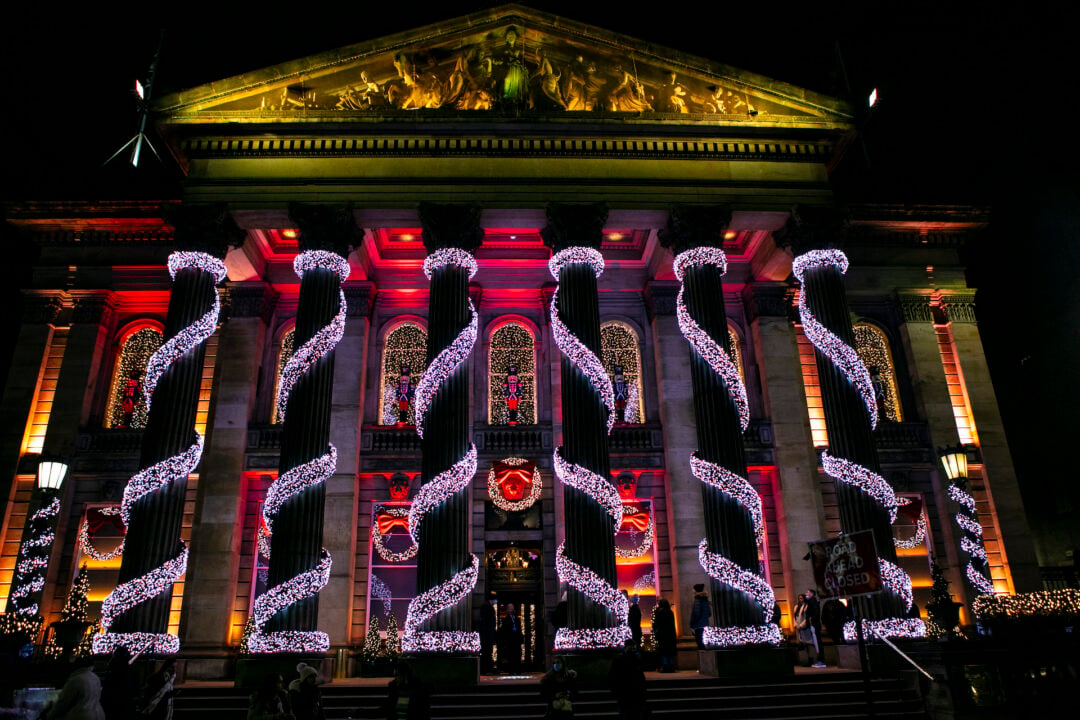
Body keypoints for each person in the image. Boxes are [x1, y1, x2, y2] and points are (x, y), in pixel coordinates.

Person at [43, 655, 105, 720]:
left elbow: (63, 703)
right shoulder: (95, 677)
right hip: (98, 714)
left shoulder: (76, 680)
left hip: (81, 716)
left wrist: (49, 715)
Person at [608, 641, 647, 719]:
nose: (633, 649)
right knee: (629, 712)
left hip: (629, 690)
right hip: (628, 690)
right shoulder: (628, 658)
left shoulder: (633, 658)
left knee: (628, 712)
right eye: (632, 647)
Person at [100, 647, 138, 720]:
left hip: (113, 707)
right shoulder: (132, 671)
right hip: (127, 707)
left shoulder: (113, 671)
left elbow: (106, 692)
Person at [794, 594, 824, 668]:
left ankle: (812, 659)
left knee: (809, 644)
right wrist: (796, 625)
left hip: (805, 627)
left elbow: (806, 617)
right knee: (804, 644)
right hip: (799, 627)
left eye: (802, 598)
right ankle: (807, 659)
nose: (800, 599)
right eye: (799, 598)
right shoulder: (796, 606)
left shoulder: (806, 606)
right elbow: (794, 616)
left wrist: (801, 625)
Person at [652, 597, 677, 673]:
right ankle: (671, 667)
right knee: (670, 652)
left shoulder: (659, 613)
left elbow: (656, 624)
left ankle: (665, 666)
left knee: (664, 652)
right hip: (670, 635)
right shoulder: (670, 612)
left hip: (662, 635)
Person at [498, 602, 524, 673]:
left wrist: (521, 638)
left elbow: (519, 628)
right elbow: (504, 630)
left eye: (512, 607)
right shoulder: (505, 619)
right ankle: (511, 670)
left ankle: (518, 669)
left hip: (517, 639)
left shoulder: (516, 618)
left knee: (517, 655)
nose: (511, 609)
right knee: (510, 655)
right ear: (507, 609)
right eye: (509, 608)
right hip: (510, 640)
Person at [804, 588, 826, 668]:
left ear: (811, 594)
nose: (806, 593)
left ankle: (821, 661)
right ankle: (820, 660)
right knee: (817, 642)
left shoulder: (812, 601)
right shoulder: (811, 601)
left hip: (814, 625)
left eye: (808, 592)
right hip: (813, 624)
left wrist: (811, 619)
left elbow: (815, 612)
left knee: (817, 643)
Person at [479, 592, 497, 674]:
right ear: (492, 600)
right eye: (495, 599)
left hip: (487, 634)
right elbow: (486, 622)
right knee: (487, 651)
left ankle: (487, 669)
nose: (496, 601)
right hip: (486, 635)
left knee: (487, 652)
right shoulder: (486, 607)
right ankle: (486, 669)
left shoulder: (487, 606)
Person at [689, 583, 711, 649]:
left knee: (699, 641)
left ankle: (703, 656)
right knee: (700, 640)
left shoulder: (697, 600)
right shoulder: (705, 599)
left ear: (696, 590)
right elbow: (709, 613)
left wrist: (692, 624)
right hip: (703, 623)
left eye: (693, 589)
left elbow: (696, 613)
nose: (693, 591)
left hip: (698, 624)